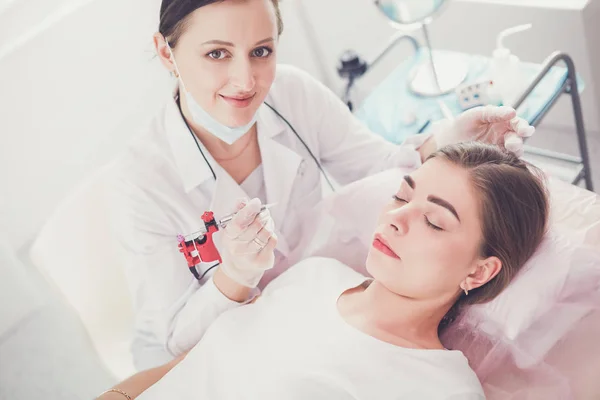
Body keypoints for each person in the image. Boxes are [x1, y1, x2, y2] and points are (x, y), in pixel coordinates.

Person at [107, 0, 537, 369]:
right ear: (167, 52)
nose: (246, 81)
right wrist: (234, 277)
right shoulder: (143, 183)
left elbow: (378, 168)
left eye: (261, 51)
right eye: (217, 54)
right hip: (207, 352)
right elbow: (172, 341)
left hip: (308, 306)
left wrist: (443, 141)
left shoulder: (293, 95)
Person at [98, 142, 549, 400]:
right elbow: (185, 367)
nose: (396, 218)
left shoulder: (441, 389)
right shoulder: (313, 275)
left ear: (479, 271)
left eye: (434, 220)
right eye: (400, 197)